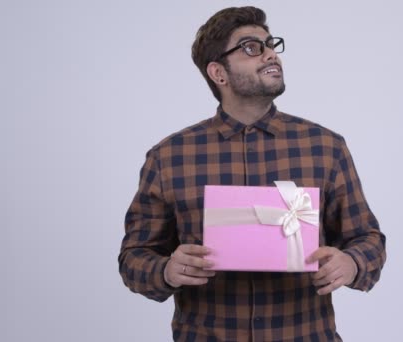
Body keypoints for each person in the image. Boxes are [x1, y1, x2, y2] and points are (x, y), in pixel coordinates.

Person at [119, 6, 386, 341]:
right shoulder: (169, 156)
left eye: (271, 44)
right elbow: (134, 258)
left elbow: (369, 239)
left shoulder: (325, 146)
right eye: (251, 47)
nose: (270, 54)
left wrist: (352, 263)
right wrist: (166, 270)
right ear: (219, 73)